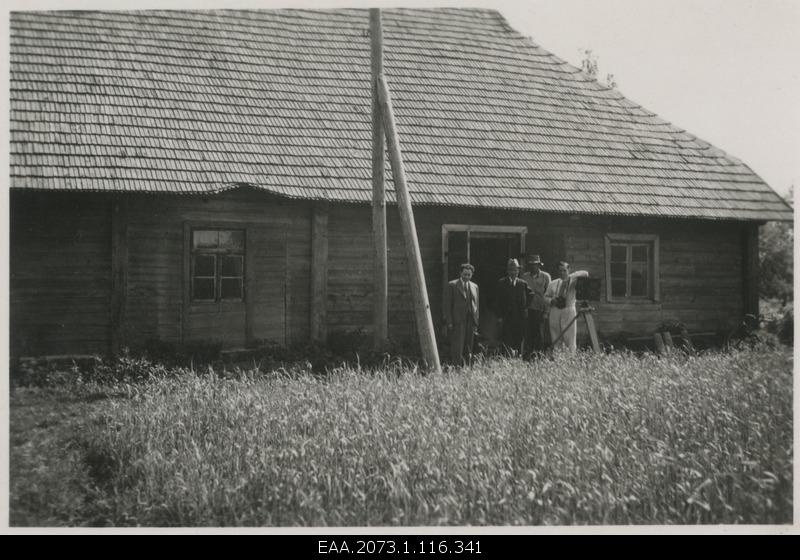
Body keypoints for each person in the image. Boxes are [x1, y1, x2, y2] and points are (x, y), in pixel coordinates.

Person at [544, 261, 589, 353]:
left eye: (564, 270)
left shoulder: (573, 281)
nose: (562, 273)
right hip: (555, 310)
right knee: (556, 336)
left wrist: (570, 277)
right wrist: (552, 300)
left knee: (570, 338)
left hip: (568, 310)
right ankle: (558, 359)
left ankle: (570, 359)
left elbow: (586, 273)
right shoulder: (553, 283)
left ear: (569, 270)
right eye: (560, 271)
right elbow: (545, 297)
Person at [494, 258, 532, 356]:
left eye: (515, 270)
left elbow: (531, 294)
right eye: (511, 270)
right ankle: (507, 358)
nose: (513, 272)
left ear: (518, 271)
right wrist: (499, 316)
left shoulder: (522, 284)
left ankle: (518, 357)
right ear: (507, 271)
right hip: (506, 317)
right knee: (507, 338)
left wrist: (525, 307)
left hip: (519, 317)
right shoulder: (501, 283)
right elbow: (497, 301)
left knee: (518, 337)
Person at [444, 263, 479, 365]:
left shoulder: (474, 286)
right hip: (458, 321)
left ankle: (467, 367)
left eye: (469, 275)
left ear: (472, 275)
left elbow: (477, 305)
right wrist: (449, 322)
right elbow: (447, 305)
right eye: (464, 274)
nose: (466, 277)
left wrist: (476, 322)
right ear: (460, 273)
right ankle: (456, 368)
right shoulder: (452, 285)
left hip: (470, 320)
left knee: (469, 346)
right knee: (457, 347)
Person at [520, 254, 551, 358]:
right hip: (528, 309)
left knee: (540, 334)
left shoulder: (546, 276)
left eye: (535, 265)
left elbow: (549, 294)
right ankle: (528, 356)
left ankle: (540, 356)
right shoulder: (524, 277)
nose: (533, 267)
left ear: (539, 265)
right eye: (531, 265)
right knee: (528, 333)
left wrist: (546, 311)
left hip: (540, 309)